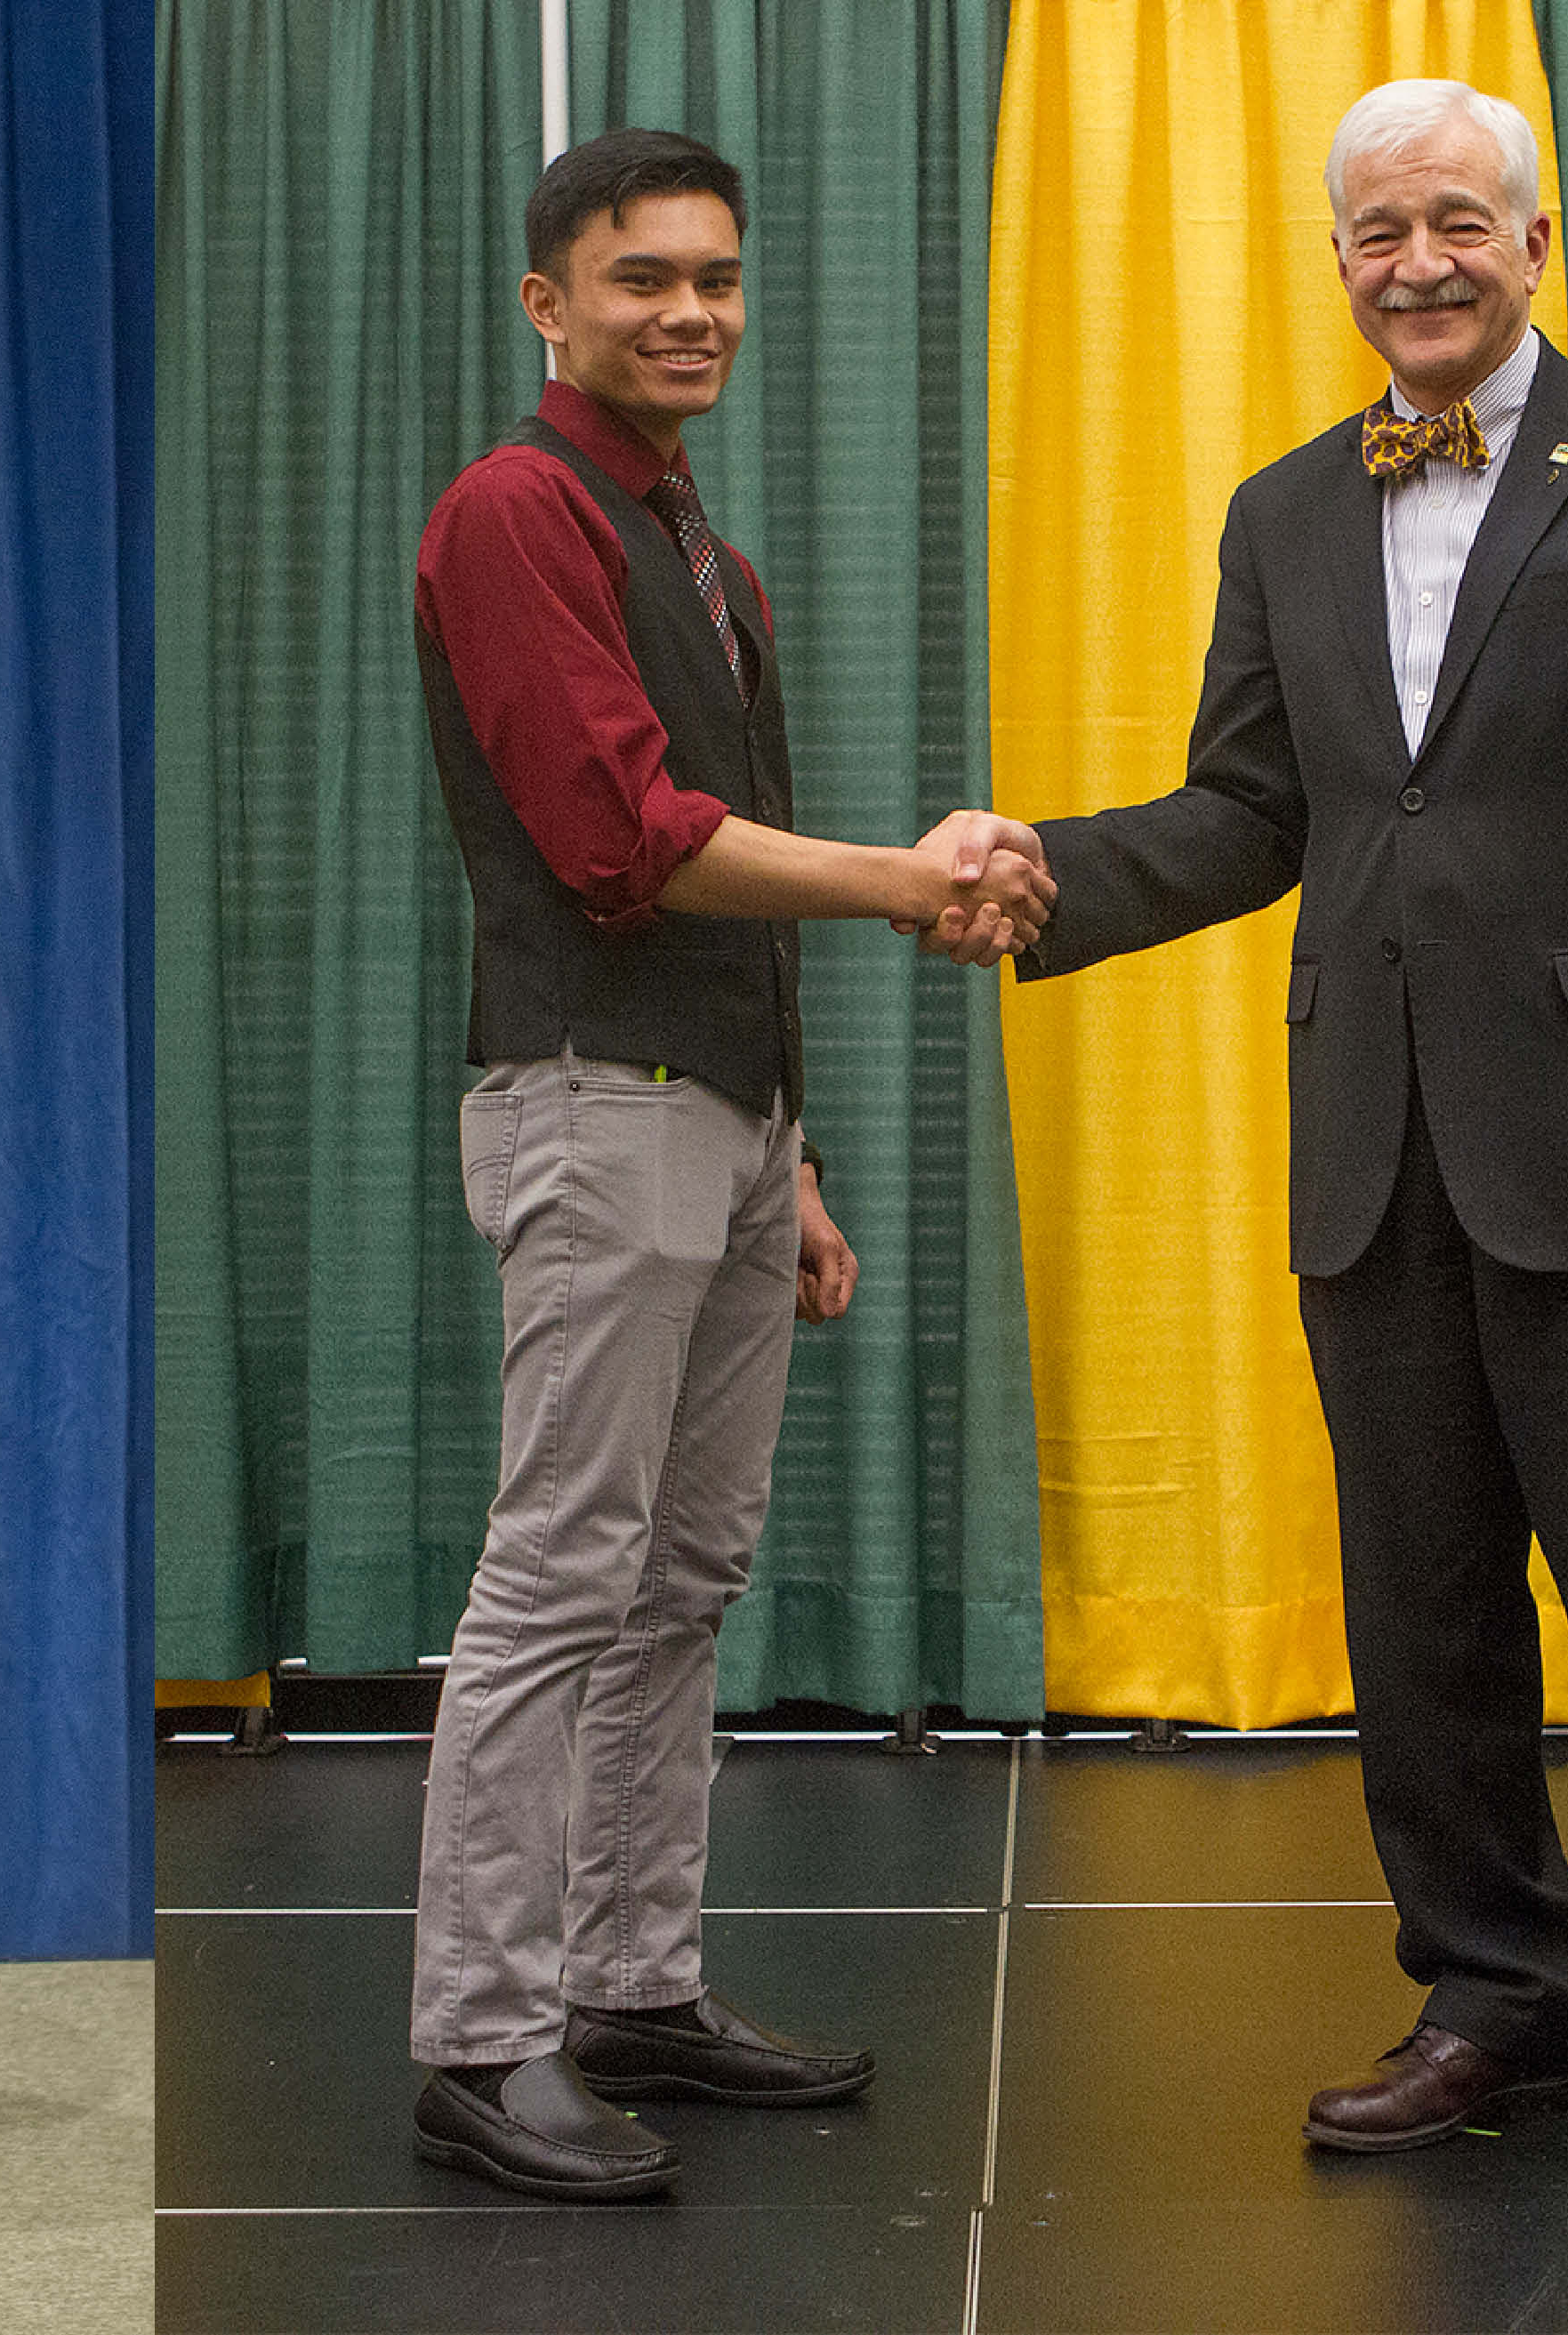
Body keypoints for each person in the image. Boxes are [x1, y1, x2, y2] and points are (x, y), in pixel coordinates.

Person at [998, 77, 1568, 2180]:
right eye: (1379, 233)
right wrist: (1037, 879)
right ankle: (1490, 1999)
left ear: (1533, 247)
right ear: (1343, 262)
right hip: (1371, 1147)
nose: (1418, 264)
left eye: (1458, 223)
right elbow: (1250, 809)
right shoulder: (1281, 510)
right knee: (1421, 1613)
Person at [391, 125, 1048, 2203]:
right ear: (546, 304)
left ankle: (630, 1983)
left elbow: (720, 884)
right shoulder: (514, 513)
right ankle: (483, 2041)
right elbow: (618, 842)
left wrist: (806, 1163)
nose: (689, 311)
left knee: (679, 1582)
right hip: (595, 1105)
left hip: (726, 1126)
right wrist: (912, 877)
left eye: (717, 279)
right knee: (558, 1578)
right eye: (641, 278)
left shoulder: (706, 557)